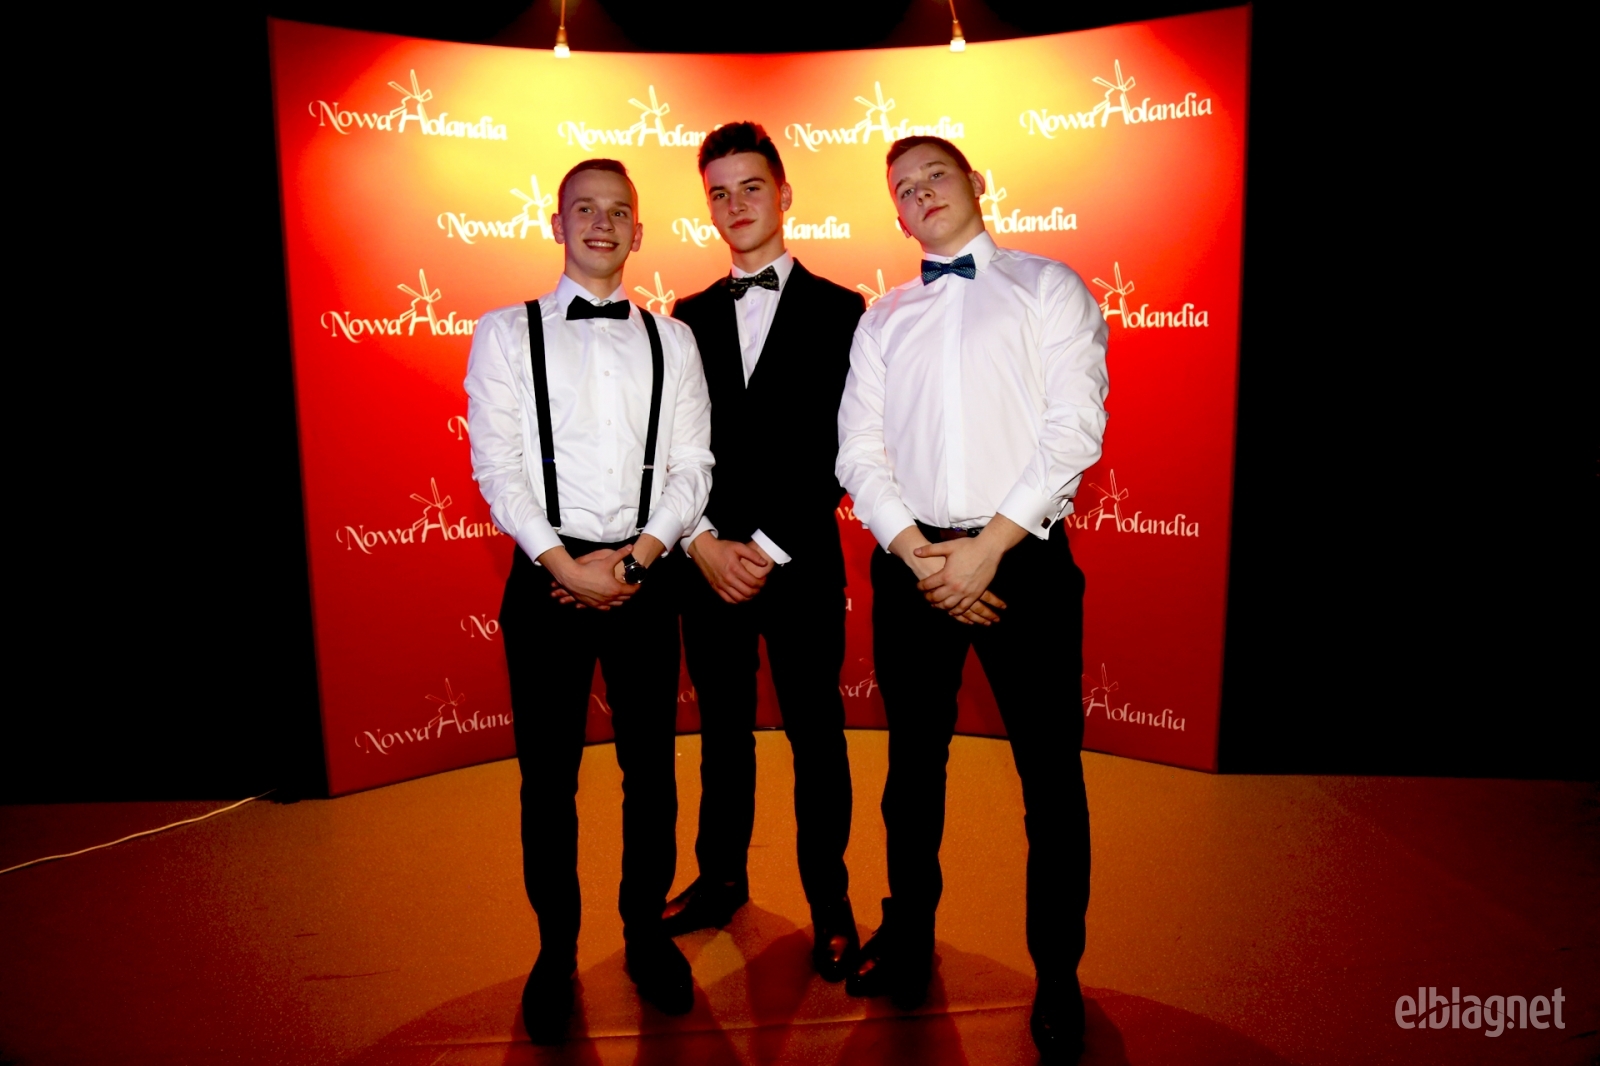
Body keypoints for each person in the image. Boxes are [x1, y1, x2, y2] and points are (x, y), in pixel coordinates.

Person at [835, 136, 1109, 1063]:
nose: (921, 194)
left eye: (935, 176)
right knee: (911, 774)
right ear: (896, 213)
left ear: (976, 184)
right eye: (904, 188)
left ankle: (1058, 973)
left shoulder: (1049, 287)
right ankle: (909, 939)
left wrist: (987, 550)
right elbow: (858, 451)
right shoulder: (882, 318)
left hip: (1021, 561)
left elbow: (1074, 429)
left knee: (1050, 781)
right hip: (912, 562)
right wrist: (921, 556)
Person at [463, 158, 713, 1041]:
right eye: (584, 209)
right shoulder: (503, 333)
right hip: (546, 582)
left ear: (639, 231)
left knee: (653, 773)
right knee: (548, 780)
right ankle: (556, 951)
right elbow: (496, 467)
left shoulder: (673, 340)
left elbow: (693, 467)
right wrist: (564, 566)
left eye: (618, 212)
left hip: (648, 574)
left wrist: (639, 560)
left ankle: (645, 934)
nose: (601, 224)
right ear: (557, 223)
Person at [661, 122, 866, 982]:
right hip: (706, 564)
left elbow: (845, 448)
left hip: (802, 561)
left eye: (752, 187)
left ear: (784, 195)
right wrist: (704, 542)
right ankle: (720, 880)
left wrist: (768, 548)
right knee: (722, 734)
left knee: (817, 737)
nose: (736, 204)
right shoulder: (686, 317)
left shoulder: (844, 310)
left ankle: (830, 902)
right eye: (720, 192)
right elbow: (674, 446)